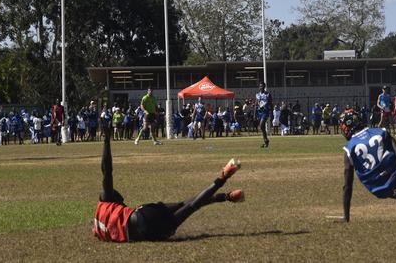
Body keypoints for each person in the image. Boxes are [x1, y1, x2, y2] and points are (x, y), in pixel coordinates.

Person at [93, 121, 245, 243]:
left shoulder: (99, 226)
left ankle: (225, 194)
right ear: (108, 196)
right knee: (188, 205)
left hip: (147, 231)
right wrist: (106, 139)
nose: (121, 197)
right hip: (142, 215)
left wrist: (224, 197)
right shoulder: (105, 202)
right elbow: (107, 171)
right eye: (116, 194)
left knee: (188, 205)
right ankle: (223, 178)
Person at [255, 82, 273, 148]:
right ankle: (266, 140)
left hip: (265, 112)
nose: (261, 87)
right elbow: (256, 104)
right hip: (259, 112)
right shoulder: (257, 95)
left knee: (261, 124)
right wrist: (254, 114)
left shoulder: (268, 95)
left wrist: (272, 114)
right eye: (260, 86)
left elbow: (271, 104)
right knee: (262, 127)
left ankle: (265, 140)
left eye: (262, 86)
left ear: (264, 87)